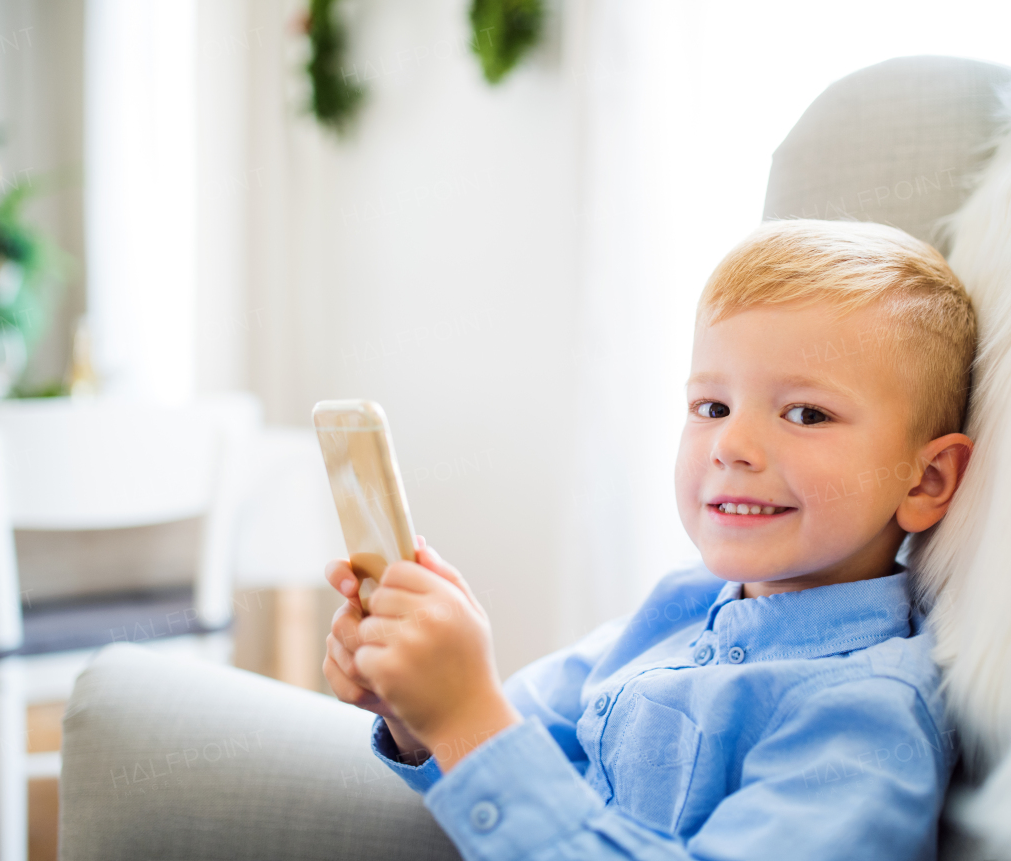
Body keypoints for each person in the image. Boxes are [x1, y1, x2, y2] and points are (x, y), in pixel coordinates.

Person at [323, 218, 975, 860]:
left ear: (925, 480)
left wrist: (465, 713)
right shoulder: (679, 605)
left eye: (806, 413)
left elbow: (488, 739)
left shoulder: (866, 715)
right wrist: (419, 708)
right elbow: (510, 765)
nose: (732, 445)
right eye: (712, 407)